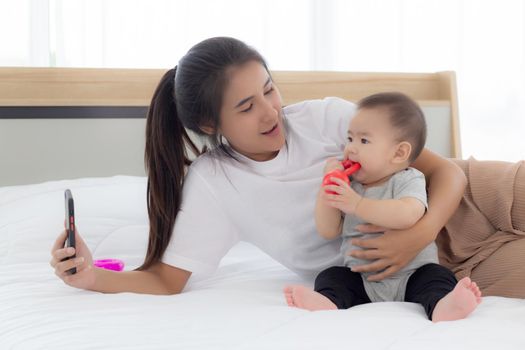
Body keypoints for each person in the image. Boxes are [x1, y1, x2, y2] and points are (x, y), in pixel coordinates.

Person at [49, 36, 477, 296]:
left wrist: (416, 234)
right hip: (430, 274)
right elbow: (166, 280)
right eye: (247, 107)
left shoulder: (326, 119)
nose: (271, 112)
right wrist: (89, 278)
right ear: (210, 123)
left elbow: (449, 173)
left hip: (468, 205)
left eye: (269, 90)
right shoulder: (217, 184)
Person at [283, 92, 482, 322]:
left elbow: (408, 214)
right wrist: (327, 189)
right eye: (350, 139)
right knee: (331, 276)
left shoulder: (408, 179)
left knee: (437, 277)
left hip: (412, 273)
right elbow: (328, 230)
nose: (351, 149)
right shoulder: (351, 187)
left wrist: (357, 204)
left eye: (364, 141)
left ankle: (443, 306)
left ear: (399, 153)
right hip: (363, 279)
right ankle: (328, 301)